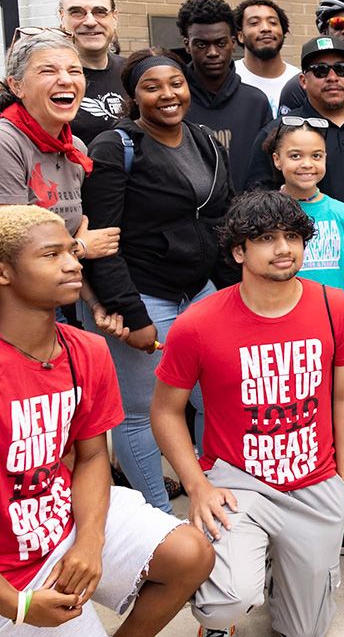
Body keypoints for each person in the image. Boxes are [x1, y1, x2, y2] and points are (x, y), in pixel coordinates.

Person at [152, 191, 344, 637]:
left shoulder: (333, 306)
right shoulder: (198, 323)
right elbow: (166, 411)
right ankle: (231, 582)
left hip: (315, 480)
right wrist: (198, 486)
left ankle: (275, 569)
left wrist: (342, 479)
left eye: (291, 236)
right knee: (224, 604)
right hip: (236, 482)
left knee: (304, 630)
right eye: (266, 238)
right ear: (238, 251)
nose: (283, 248)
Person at [0, 205, 213, 637]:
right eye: (51, 255)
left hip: (60, 522)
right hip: (9, 573)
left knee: (192, 553)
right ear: (4, 272)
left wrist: (90, 541)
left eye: (72, 251)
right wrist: (18, 605)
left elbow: (93, 454)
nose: (73, 264)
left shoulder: (86, 350)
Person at [82, 48, 232, 512]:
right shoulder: (116, 147)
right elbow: (103, 242)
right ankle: (157, 520)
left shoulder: (205, 140)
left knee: (214, 399)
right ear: (133, 95)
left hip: (200, 293)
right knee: (141, 415)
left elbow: (220, 218)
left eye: (176, 83)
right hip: (144, 295)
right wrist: (133, 313)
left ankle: (209, 494)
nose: (167, 94)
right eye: (152, 86)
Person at [245, 36, 344, 340]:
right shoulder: (281, 134)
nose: (332, 77)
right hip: (299, 295)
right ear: (303, 80)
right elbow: (254, 207)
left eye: (342, 69)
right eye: (319, 70)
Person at [0, 29, 118, 268]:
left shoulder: (76, 147)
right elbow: (11, 248)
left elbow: (75, 232)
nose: (66, 80)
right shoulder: (6, 141)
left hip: (60, 290)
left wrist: (94, 303)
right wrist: (81, 248)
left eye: (74, 71)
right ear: (16, 86)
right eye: (48, 70)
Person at [265, 119, 344, 307]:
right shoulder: (267, 214)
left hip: (336, 321)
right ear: (277, 160)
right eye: (295, 156)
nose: (307, 164)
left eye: (316, 156)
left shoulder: (342, 212)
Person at [176, 0, 273, 192]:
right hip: (189, 219)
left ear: (233, 41)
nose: (212, 52)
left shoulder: (256, 102)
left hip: (247, 218)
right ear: (187, 44)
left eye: (220, 43)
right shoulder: (173, 102)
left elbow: (266, 172)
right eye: (201, 44)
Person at [58, 0, 128, 146]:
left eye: (100, 12)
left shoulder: (132, 72)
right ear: (62, 17)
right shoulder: (50, 80)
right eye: (77, 12)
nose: (90, 21)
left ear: (114, 18)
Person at [232, 0, 299, 117]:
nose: (266, 28)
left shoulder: (300, 81)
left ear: (283, 32)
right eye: (254, 23)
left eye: (273, 23)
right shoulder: (229, 78)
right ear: (240, 36)